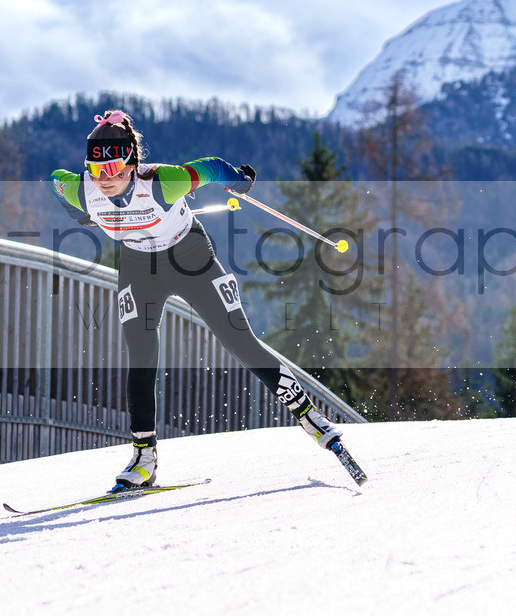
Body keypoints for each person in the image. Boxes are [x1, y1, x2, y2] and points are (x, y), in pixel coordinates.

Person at [50, 109, 344, 488]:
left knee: (240, 341)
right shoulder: (82, 189)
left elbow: (211, 167)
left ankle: (309, 416)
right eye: (95, 169)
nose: (104, 180)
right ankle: (144, 457)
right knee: (140, 356)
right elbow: (57, 181)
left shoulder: (161, 182)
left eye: (114, 169)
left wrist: (238, 179)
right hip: (139, 266)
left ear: (132, 163)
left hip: (190, 258)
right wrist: (82, 214)